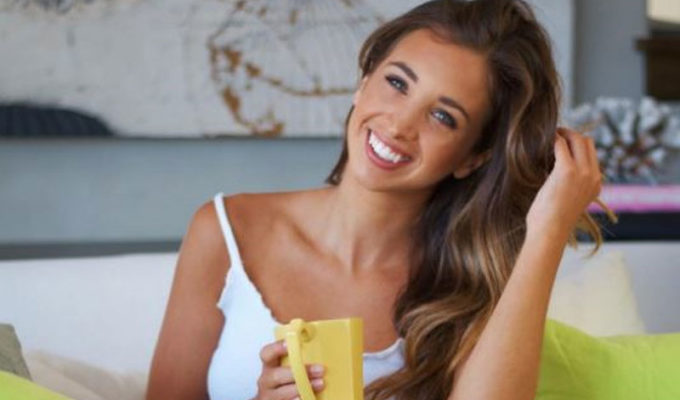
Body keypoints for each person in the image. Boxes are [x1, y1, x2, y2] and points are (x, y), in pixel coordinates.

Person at [146, 0, 615, 399]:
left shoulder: (469, 283)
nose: (399, 124)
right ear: (364, 81)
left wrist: (549, 230)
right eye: (397, 83)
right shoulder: (225, 231)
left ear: (473, 157)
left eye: (442, 116)